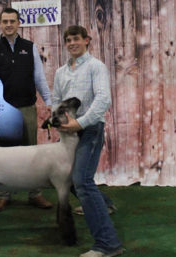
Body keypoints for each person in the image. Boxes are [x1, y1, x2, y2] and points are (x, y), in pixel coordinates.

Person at [52, 25, 124, 257]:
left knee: (81, 181)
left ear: (87, 40)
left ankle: (107, 244)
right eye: (68, 40)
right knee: (71, 178)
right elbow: (56, 100)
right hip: (69, 133)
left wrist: (80, 123)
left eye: (76, 39)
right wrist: (59, 122)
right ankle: (105, 204)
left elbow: (103, 100)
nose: (72, 43)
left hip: (90, 129)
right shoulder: (61, 72)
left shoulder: (96, 67)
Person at [0, 7, 53, 212]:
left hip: (27, 108)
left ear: (18, 23)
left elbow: (39, 78)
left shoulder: (30, 47)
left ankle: (35, 194)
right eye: (5, 21)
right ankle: (3, 195)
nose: (9, 25)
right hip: (2, 111)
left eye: (12, 21)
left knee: (32, 154)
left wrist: (49, 101)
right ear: (0, 23)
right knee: (2, 155)